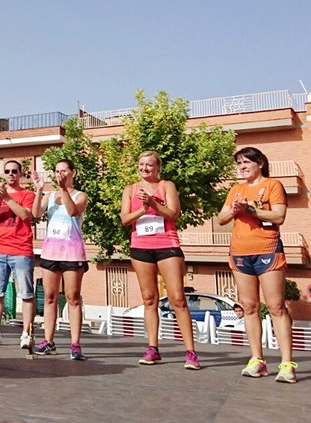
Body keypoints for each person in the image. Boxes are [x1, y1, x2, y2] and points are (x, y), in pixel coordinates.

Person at [217, 146, 296, 383]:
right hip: (240, 254)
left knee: (276, 306)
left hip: (267, 251)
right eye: (239, 163)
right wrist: (235, 208)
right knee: (249, 307)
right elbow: (221, 219)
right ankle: (257, 360)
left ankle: (286, 364)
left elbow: (278, 216)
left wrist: (251, 209)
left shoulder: (273, 186)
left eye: (246, 162)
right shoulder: (235, 189)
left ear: (259, 163)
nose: (241, 167)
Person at [120, 151, 200, 370]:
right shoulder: (130, 190)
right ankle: (152, 348)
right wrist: (143, 209)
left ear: (158, 168)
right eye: (141, 164)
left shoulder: (167, 186)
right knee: (148, 298)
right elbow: (125, 219)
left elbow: (174, 214)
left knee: (177, 298)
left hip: (167, 245)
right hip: (140, 247)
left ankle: (190, 352)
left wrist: (154, 206)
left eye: (149, 165)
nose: (145, 168)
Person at [31, 160, 89, 359]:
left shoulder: (80, 195)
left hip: (72, 253)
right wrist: (39, 191)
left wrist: (64, 189)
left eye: (63, 170)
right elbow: (35, 213)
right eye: (57, 171)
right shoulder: (50, 195)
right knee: (49, 297)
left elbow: (73, 211)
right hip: (50, 252)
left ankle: (75, 344)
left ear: (73, 172)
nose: (60, 174)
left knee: (72, 298)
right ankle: (48, 340)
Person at [0, 160, 36, 348]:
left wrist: (7, 198)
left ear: (20, 174)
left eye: (14, 171)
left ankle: (26, 334)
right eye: (7, 171)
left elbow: (24, 215)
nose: (11, 174)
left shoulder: (28, 194)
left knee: (26, 293)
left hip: (21, 249)